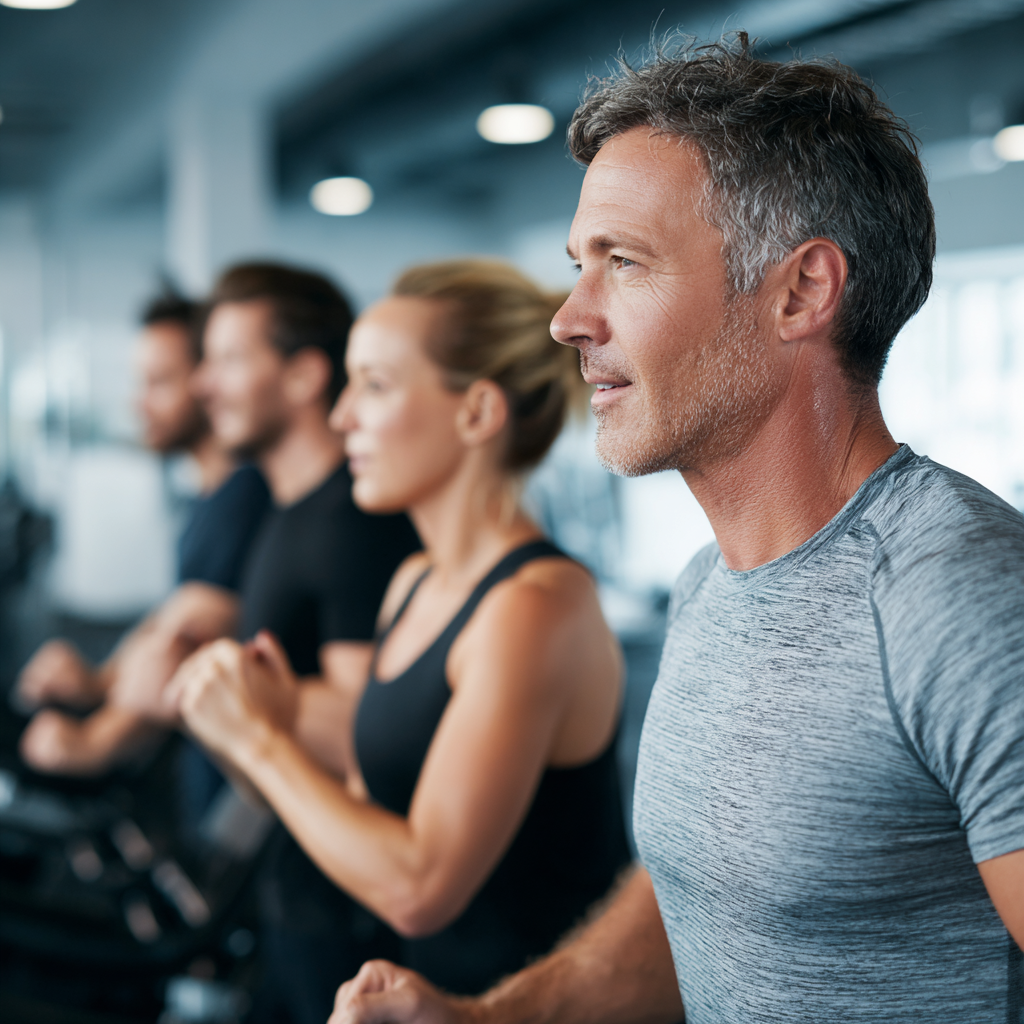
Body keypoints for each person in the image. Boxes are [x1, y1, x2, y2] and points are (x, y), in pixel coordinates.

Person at [327, 34, 1024, 1024]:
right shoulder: (711, 582)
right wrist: (492, 1016)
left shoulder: (958, 594)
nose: (568, 317)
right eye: (579, 265)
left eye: (623, 262)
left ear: (799, 292)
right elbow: (695, 900)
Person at [170, 259, 631, 1024]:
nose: (343, 415)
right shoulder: (412, 582)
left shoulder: (537, 605)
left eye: (374, 387)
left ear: (476, 413)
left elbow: (420, 885)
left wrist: (260, 742)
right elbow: (364, 821)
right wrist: (267, 720)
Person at [15, 291, 270, 777]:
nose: (140, 402)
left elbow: (190, 640)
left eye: (159, 383)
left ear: (206, 381)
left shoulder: (243, 498)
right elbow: (168, 621)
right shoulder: (210, 498)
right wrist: (100, 680)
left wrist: (93, 742)